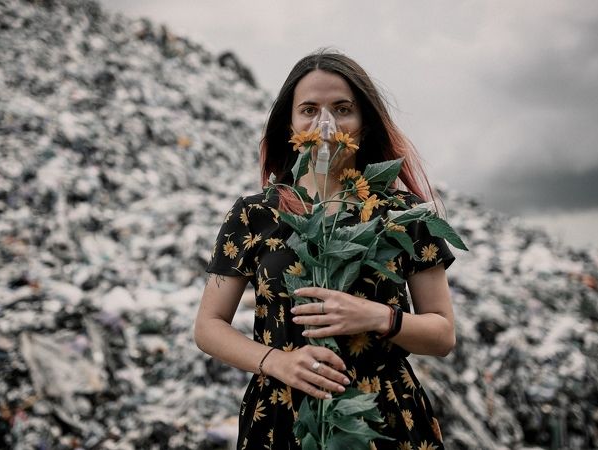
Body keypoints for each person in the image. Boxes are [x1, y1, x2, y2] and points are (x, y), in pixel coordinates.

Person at [194, 50, 456, 449]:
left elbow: (442, 334)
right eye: (309, 110)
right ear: (290, 125)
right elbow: (208, 326)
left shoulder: (400, 216)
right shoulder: (256, 214)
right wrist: (277, 362)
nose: (326, 124)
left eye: (342, 109)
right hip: (283, 414)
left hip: (379, 415)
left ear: (364, 124)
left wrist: (377, 316)